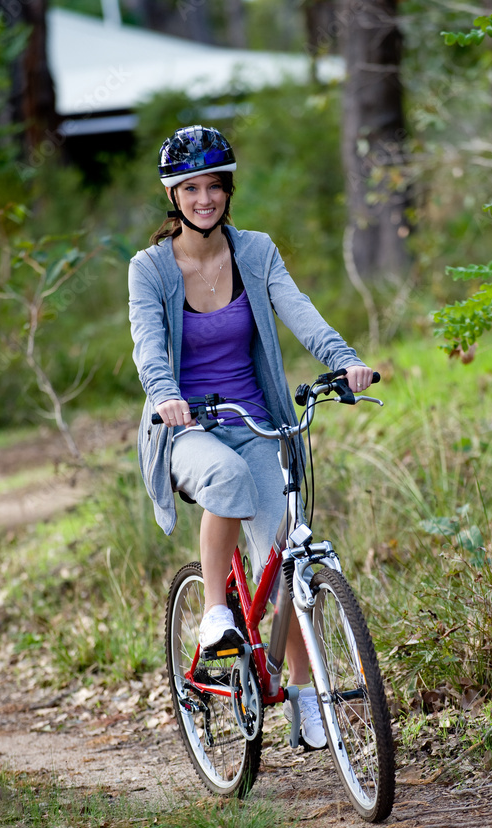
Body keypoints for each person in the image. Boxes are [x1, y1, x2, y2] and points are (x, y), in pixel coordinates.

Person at [129, 125, 373, 747]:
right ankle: (214, 613)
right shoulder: (150, 269)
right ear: (173, 196)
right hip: (184, 427)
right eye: (191, 188)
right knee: (228, 481)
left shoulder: (256, 253)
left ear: (227, 191)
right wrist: (166, 395)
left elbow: (299, 308)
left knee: (286, 553)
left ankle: (302, 690)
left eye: (214, 186)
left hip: (255, 420)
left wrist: (343, 359)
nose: (204, 198)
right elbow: (149, 347)